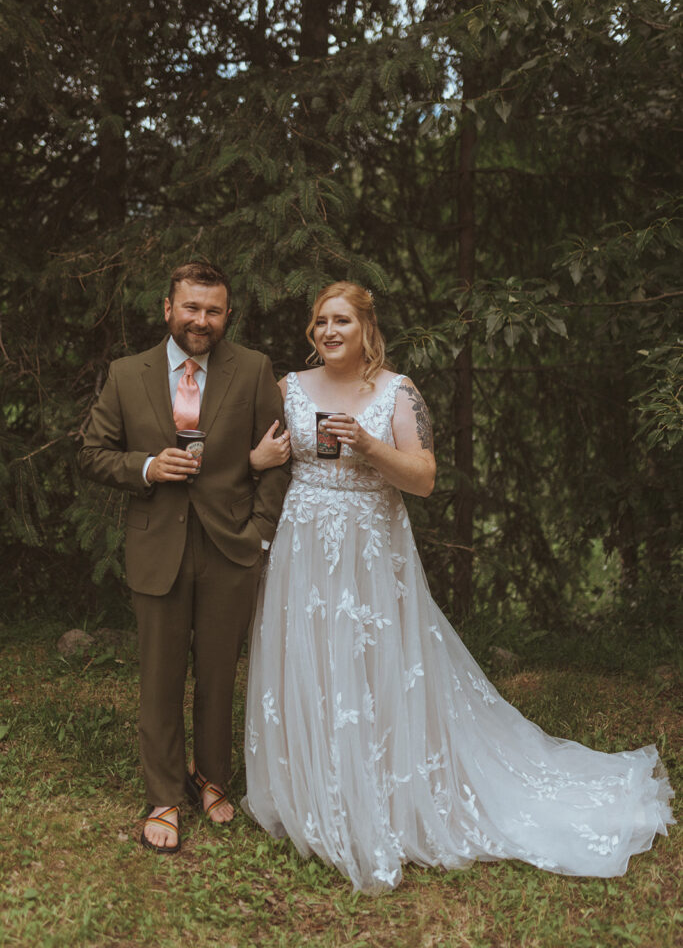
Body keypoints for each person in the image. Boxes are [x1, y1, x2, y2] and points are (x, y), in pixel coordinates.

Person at [242, 280, 674, 893]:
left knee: (374, 660)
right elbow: (258, 456)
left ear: (366, 328)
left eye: (341, 320)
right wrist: (260, 461)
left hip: (371, 545)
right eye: (320, 322)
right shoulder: (287, 388)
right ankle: (317, 787)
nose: (329, 331)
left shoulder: (396, 391)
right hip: (305, 543)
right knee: (311, 655)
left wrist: (368, 445)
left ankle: (386, 788)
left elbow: (423, 478)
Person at [79, 262, 290, 854]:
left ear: (228, 315)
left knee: (220, 673)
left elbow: (279, 456)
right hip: (157, 542)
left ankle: (212, 777)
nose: (202, 320)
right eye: (191, 308)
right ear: (167, 309)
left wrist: (260, 533)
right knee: (160, 674)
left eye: (214, 310)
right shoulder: (127, 374)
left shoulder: (252, 370)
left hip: (231, 545)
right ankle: (165, 794)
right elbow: (93, 454)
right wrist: (145, 465)